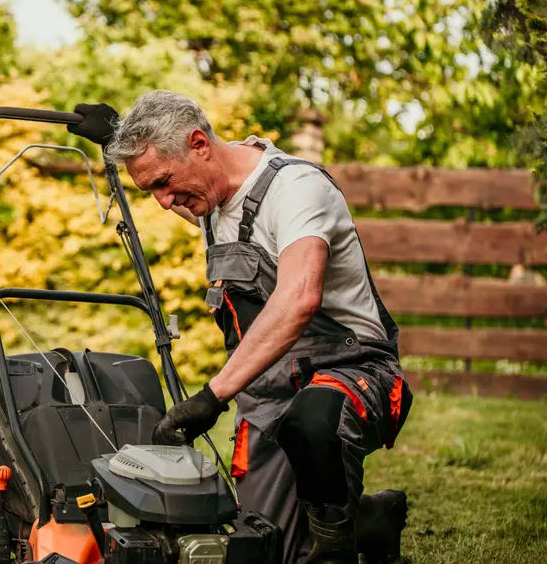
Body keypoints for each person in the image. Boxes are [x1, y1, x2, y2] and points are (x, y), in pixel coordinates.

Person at [72, 93, 413, 564]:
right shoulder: (210, 198)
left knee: (313, 423)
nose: (164, 202)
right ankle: (372, 520)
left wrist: (212, 397)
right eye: (151, 190)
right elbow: (174, 180)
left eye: (165, 183)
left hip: (353, 373)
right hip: (270, 394)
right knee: (256, 550)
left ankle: (336, 552)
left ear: (199, 144)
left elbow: (299, 299)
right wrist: (117, 135)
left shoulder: (294, 190)